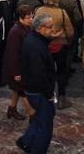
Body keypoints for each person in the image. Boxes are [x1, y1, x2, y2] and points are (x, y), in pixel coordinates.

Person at [18, 12, 58, 154]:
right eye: (50, 27)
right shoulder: (36, 45)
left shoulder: (35, 40)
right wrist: (49, 95)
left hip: (34, 89)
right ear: (40, 28)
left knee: (39, 119)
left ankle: (26, 141)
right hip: (39, 92)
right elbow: (39, 74)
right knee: (45, 126)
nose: (52, 29)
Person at [34, 0, 75, 109]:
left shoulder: (39, 10)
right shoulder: (61, 12)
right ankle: (62, 98)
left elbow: (34, 27)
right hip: (59, 45)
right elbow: (70, 31)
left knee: (45, 71)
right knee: (61, 72)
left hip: (43, 45)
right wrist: (68, 40)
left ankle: (47, 96)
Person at [3, 5, 35, 120]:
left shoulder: (25, 28)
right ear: (21, 18)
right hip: (17, 68)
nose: (31, 19)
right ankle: (32, 114)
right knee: (22, 91)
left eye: (32, 17)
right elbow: (13, 54)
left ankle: (12, 109)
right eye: (28, 17)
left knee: (17, 89)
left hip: (22, 66)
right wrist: (16, 73)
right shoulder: (16, 32)